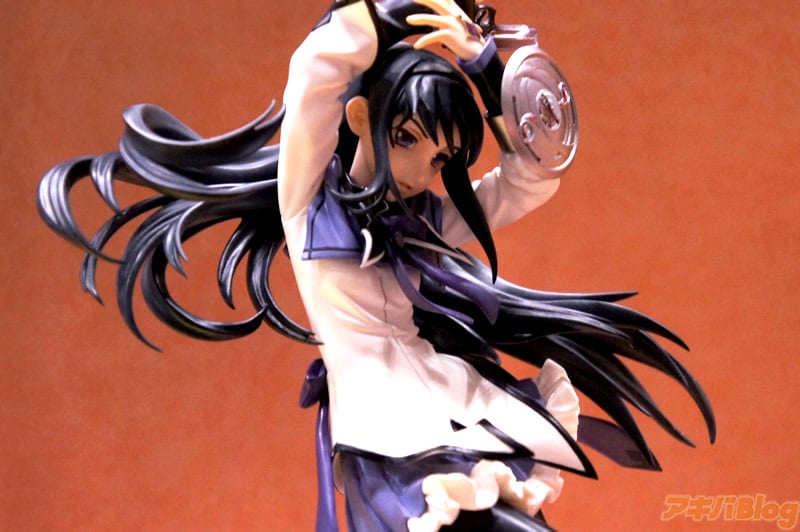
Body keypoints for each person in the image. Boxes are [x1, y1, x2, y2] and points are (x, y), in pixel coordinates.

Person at [37, 1, 715, 530]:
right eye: (408, 139)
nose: (424, 168)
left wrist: (488, 70)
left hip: (452, 412)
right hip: (384, 443)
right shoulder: (309, 205)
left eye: (441, 157)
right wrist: (388, 10)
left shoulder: (427, 218)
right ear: (361, 118)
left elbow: (528, 179)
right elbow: (315, 77)